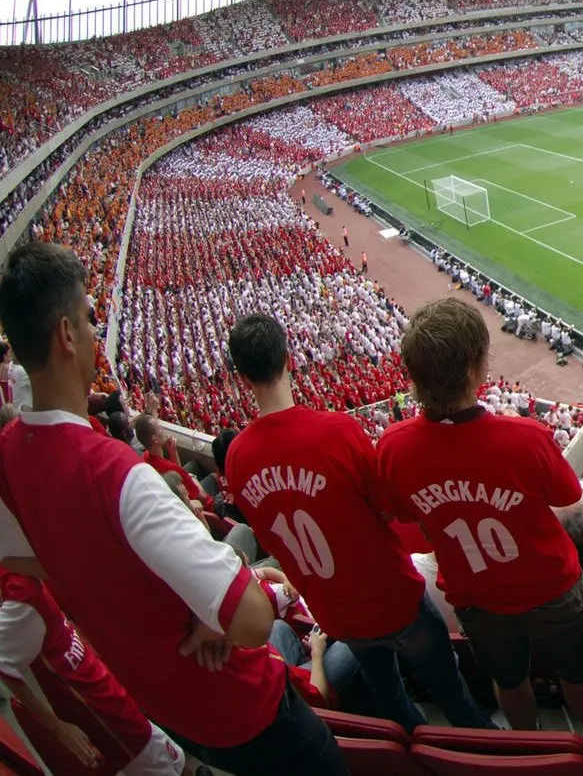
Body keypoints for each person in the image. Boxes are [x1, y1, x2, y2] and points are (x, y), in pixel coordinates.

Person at [0, 242, 343, 775]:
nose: (97, 333)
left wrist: (186, 603)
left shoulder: (7, 455)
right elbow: (251, 621)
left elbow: (29, 562)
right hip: (240, 704)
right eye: (90, 319)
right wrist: (237, 598)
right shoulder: (118, 475)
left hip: (165, 705)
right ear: (66, 336)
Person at [225, 312, 493, 732]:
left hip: (337, 614)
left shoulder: (237, 459)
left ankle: (415, 756)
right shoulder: (336, 431)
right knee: (452, 692)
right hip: (393, 600)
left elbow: (268, 531)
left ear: (241, 378)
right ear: (289, 360)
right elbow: (388, 507)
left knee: (389, 699)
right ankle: (485, 752)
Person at [376, 298, 583, 735]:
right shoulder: (524, 438)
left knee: (510, 680)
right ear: (476, 369)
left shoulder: (393, 446)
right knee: (578, 676)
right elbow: (569, 494)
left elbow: (403, 511)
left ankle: (527, 750)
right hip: (549, 587)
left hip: (474, 595)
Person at [0, 568, 184, 775]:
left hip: (108, 691)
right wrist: (56, 727)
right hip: (104, 714)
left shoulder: (19, 574)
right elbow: (4, 665)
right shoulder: (20, 591)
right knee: (158, 758)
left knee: (172, 758)